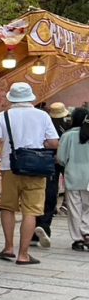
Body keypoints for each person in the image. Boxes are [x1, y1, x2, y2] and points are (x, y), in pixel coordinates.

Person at [0, 82, 60, 266]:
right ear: (30, 97)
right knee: (31, 211)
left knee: (8, 207)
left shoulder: (3, 116)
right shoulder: (42, 115)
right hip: (36, 168)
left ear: (11, 98)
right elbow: (53, 143)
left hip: (9, 167)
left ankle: (8, 247)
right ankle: (23, 254)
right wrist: (37, 145)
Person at [34, 101, 71, 246]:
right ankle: (45, 225)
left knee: (48, 192)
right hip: (66, 161)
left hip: (47, 160)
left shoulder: (44, 122)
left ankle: (42, 225)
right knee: (73, 193)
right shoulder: (69, 124)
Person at [57, 106, 89, 251]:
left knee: (75, 209)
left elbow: (61, 159)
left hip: (73, 177)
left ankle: (78, 239)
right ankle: (86, 232)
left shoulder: (67, 136)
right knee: (87, 208)